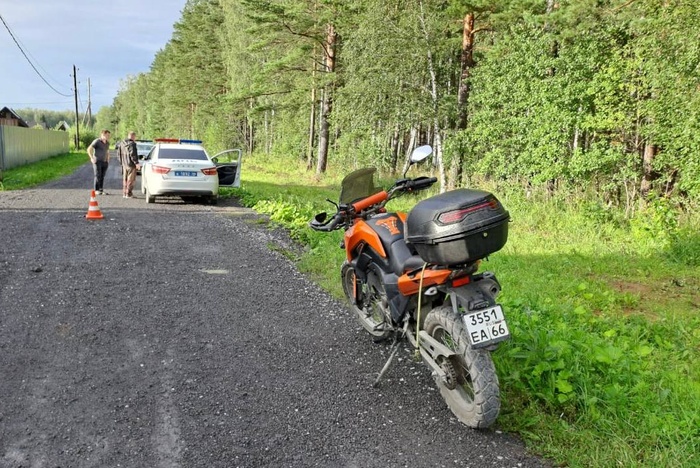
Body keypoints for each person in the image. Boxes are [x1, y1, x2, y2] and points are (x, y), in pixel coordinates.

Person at [87, 129, 112, 195]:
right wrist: (91, 158)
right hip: (97, 161)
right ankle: (96, 190)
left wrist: (107, 160)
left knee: (102, 176)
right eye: (107, 135)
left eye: (109, 135)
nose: (108, 137)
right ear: (103, 135)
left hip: (104, 162)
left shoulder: (107, 143)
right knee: (98, 175)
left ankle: (101, 189)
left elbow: (107, 151)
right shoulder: (97, 141)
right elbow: (89, 149)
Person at [119, 131, 140, 198]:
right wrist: (136, 163)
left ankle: (124, 193)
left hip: (124, 164)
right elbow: (133, 154)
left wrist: (121, 162)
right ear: (133, 136)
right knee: (131, 180)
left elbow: (118, 154)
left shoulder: (122, 143)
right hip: (131, 165)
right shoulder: (132, 144)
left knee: (125, 179)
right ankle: (129, 193)